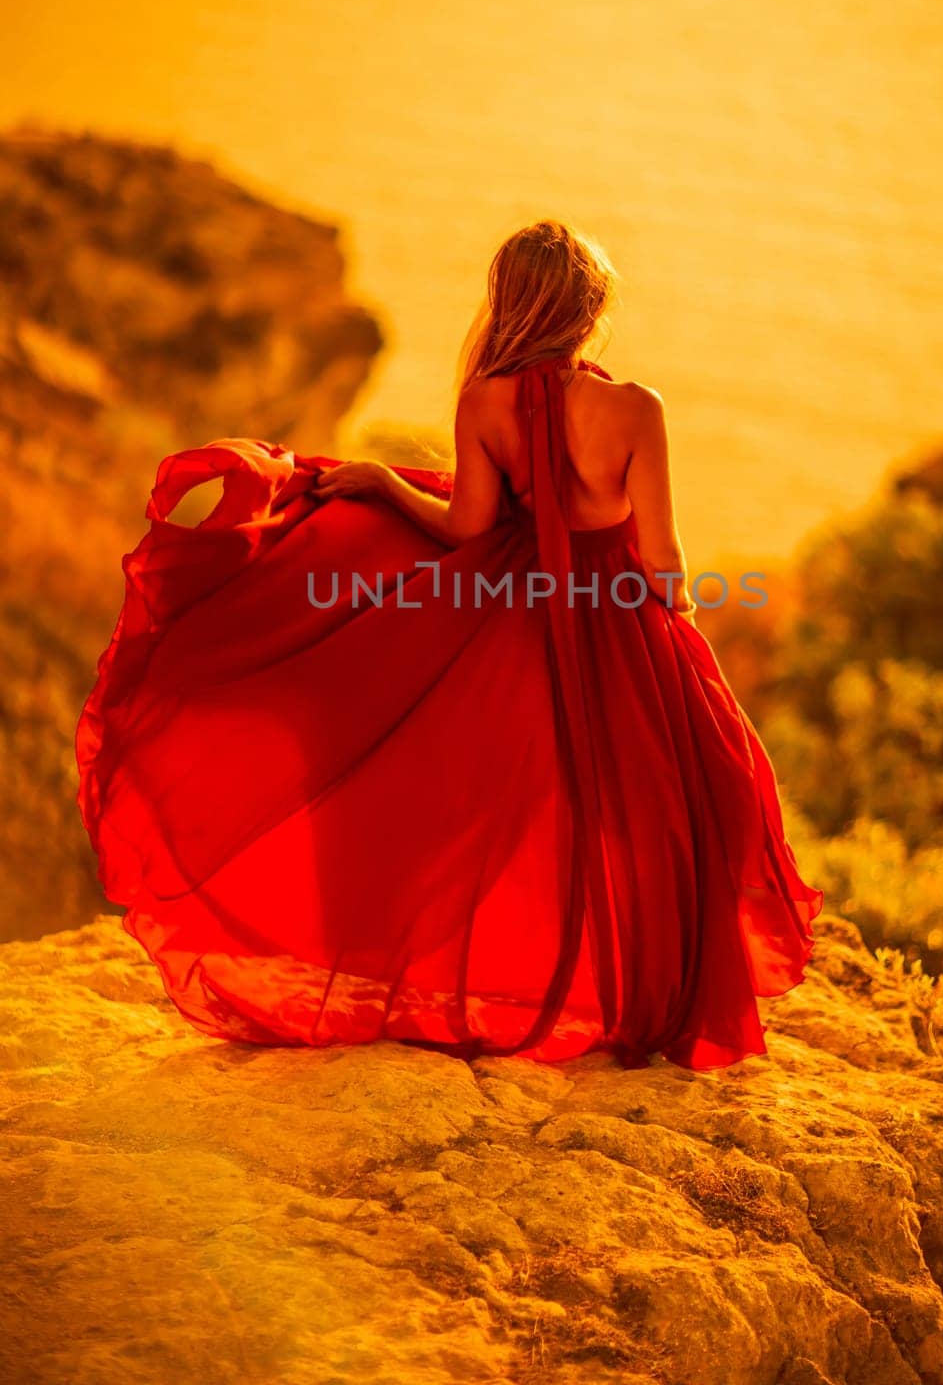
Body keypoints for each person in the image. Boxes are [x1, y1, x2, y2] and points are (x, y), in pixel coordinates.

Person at [76, 219, 823, 1072]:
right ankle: (648, 997)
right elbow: (660, 559)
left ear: (510, 304)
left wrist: (384, 486)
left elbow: (468, 528)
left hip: (517, 615)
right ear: (589, 311)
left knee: (497, 803)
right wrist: (683, 635)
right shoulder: (634, 409)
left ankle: (503, 973)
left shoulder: (485, 403)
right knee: (663, 811)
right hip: (622, 621)